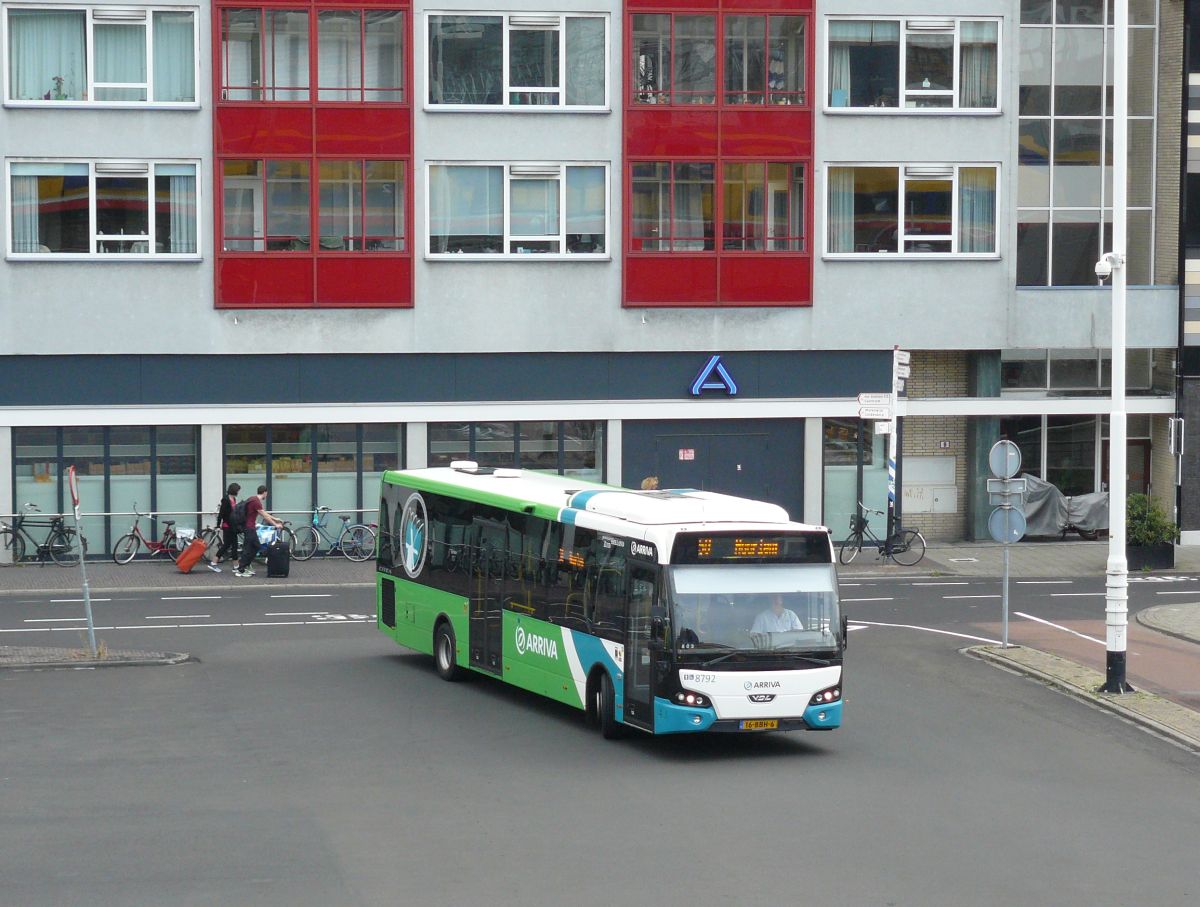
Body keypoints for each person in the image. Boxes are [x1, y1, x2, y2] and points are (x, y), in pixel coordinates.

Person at [234, 484, 283, 578]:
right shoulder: (256, 502)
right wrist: (276, 524)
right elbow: (264, 515)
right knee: (250, 548)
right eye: (266, 493)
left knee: (254, 548)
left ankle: (245, 566)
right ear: (265, 492)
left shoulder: (252, 499)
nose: (266, 495)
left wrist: (275, 519)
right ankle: (241, 569)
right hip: (249, 528)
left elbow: (263, 513)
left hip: (249, 528)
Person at [214, 483, 241, 564]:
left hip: (232, 525)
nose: (238, 492)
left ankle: (214, 562)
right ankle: (235, 565)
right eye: (238, 490)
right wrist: (218, 525)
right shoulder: (226, 500)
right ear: (234, 490)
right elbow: (221, 513)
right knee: (231, 545)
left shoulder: (234, 499)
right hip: (227, 525)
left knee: (229, 545)